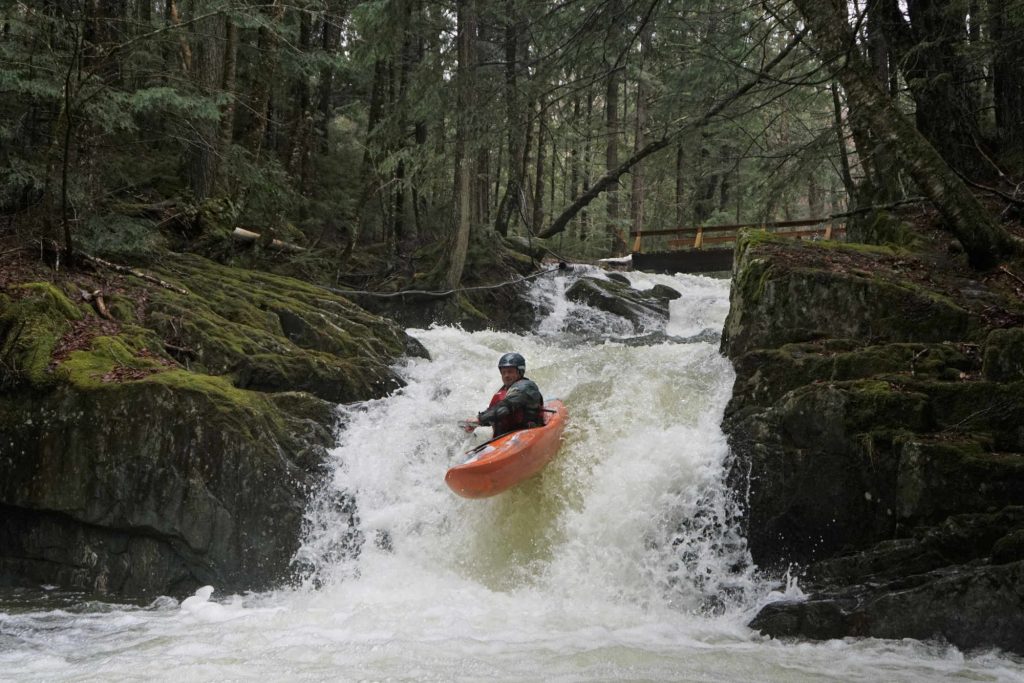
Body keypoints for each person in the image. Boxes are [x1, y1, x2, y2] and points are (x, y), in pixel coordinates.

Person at [463, 352, 544, 437]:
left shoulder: (526, 387)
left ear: (520, 372)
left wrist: (480, 419)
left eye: (510, 372)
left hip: (525, 434)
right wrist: (477, 424)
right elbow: (496, 414)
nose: (506, 375)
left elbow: (505, 408)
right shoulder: (504, 390)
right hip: (505, 437)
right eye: (503, 372)